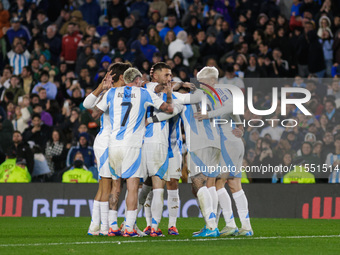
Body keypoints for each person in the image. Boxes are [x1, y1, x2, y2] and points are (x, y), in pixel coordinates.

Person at [92, 67, 174, 237]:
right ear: (137, 80)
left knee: (115, 186)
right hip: (132, 146)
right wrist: (170, 93)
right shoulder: (143, 93)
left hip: (113, 145)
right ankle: (129, 227)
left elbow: (94, 113)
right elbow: (168, 109)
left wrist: (104, 90)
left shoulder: (112, 93)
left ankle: (112, 226)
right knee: (132, 187)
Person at [83, 62, 131, 236]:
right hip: (105, 142)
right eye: (128, 76)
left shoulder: (125, 94)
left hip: (115, 143)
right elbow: (88, 105)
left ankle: (96, 226)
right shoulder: (109, 93)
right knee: (106, 185)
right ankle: (104, 228)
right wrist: (101, 87)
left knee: (108, 185)